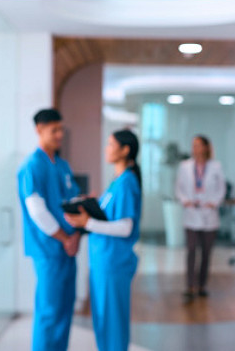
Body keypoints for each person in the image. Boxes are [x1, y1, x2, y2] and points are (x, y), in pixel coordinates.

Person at [64, 129, 142, 351]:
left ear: (125, 150)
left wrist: (87, 223)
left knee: (112, 324)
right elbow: (109, 217)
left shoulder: (127, 182)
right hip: (103, 262)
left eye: (111, 144)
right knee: (103, 321)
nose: (107, 149)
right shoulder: (117, 181)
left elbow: (126, 227)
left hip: (113, 263)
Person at [17, 108, 81, 351]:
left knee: (65, 309)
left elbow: (73, 200)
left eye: (60, 129)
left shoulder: (62, 165)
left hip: (68, 248)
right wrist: (65, 238)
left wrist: (75, 235)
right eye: (53, 130)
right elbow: (37, 211)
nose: (59, 135)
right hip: (49, 250)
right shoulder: (32, 166)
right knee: (49, 311)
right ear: (39, 130)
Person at [175, 135, 226, 301]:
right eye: (193, 145)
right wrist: (185, 201)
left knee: (206, 253)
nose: (195, 148)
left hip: (209, 213)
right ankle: (190, 285)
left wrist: (214, 202)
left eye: (198, 145)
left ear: (205, 147)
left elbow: (221, 189)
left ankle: (202, 285)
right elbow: (179, 188)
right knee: (191, 251)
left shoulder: (215, 166)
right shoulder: (185, 166)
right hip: (191, 213)